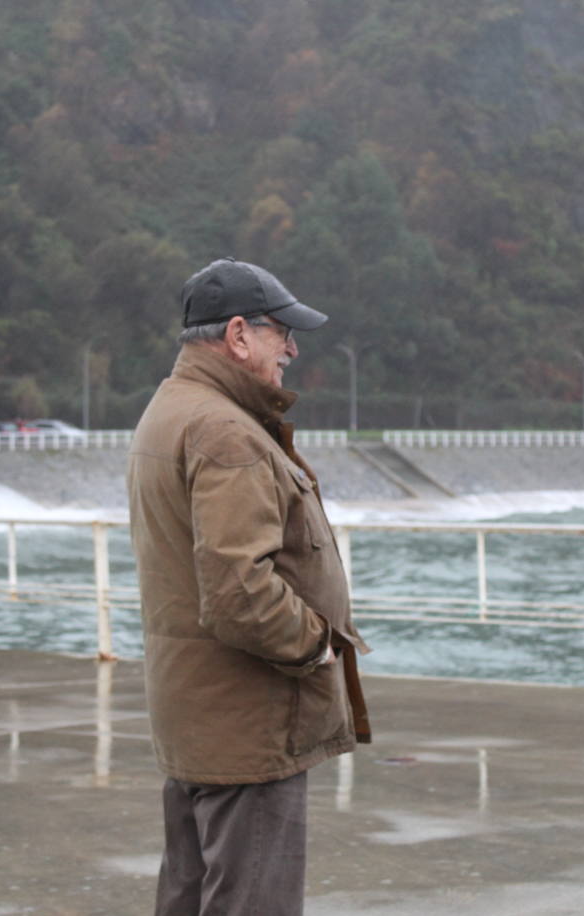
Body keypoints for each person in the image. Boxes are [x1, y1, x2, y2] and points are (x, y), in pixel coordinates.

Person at [127, 257, 371, 916]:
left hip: (199, 717)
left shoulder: (174, 409)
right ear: (238, 335)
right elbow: (240, 588)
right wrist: (318, 644)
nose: (292, 347)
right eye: (281, 331)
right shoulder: (225, 430)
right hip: (249, 729)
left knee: (188, 894)